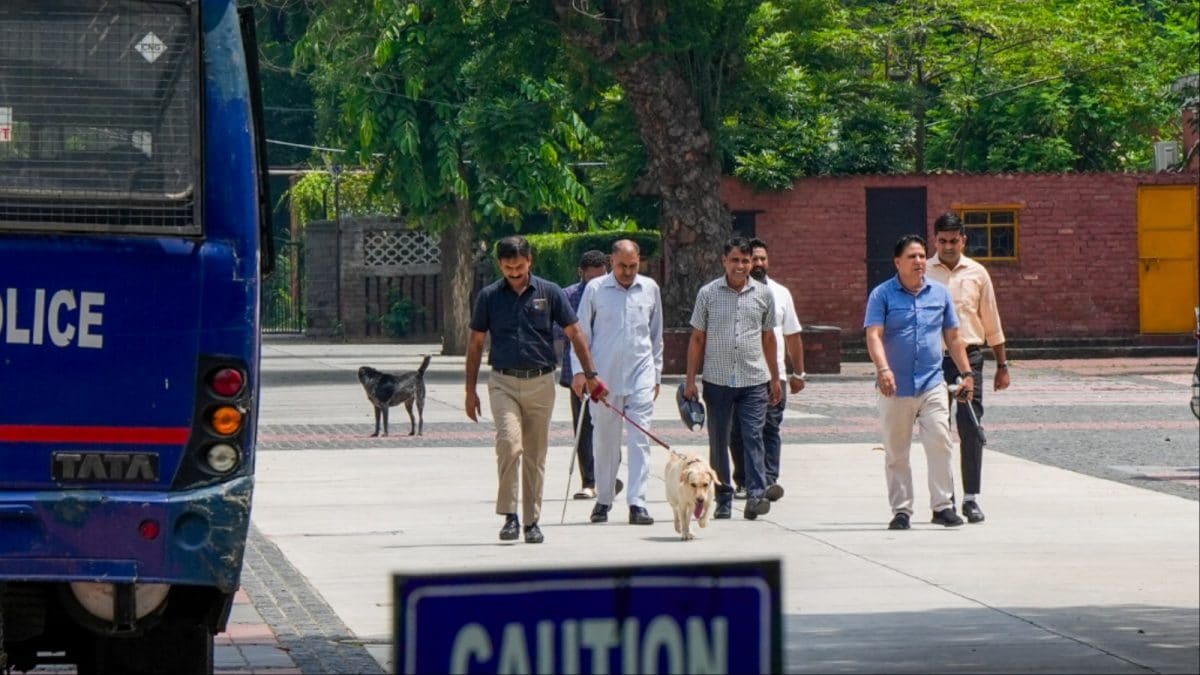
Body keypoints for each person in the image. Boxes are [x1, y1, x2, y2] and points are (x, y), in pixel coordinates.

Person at [465, 236, 607, 544]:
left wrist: (590, 373)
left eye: (519, 266)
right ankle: (510, 516)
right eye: (507, 267)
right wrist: (469, 390)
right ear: (499, 265)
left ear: (530, 261)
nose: (514, 273)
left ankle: (531, 522)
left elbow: (576, 333)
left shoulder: (550, 292)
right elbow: (476, 343)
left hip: (541, 382)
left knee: (534, 454)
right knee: (508, 445)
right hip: (502, 381)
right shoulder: (489, 296)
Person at [864, 234, 975, 530]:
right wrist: (883, 369)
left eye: (922, 256)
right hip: (894, 386)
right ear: (897, 262)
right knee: (896, 451)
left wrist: (967, 374)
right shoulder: (882, 295)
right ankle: (901, 510)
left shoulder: (939, 294)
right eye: (912, 257)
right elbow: (873, 334)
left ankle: (943, 506)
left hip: (932, 382)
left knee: (940, 442)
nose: (919, 262)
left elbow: (953, 337)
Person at [684, 236, 782, 521]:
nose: (741, 266)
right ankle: (723, 496)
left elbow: (768, 338)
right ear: (724, 261)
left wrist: (775, 378)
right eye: (735, 260)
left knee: (753, 436)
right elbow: (698, 338)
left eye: (746, 260)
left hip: (754, 378)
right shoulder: (709, 293)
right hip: (718, 380)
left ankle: (755, 495)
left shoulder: (763, 294)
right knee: (719, 438)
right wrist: (691, 380)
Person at [571, 239, 664, 525]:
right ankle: (604, 499)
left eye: (633, 266)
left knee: (640, 440)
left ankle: (637, 502)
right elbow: (581, 334)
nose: (627, 272)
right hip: (603, 379)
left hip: (641, 375)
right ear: (612, 261)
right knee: (605, 441)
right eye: (622, 266)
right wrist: (580, 373)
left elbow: (656, 335)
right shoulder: (595, 290)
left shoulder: (650, 289)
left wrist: (656, 374)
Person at [927, 212, 1010, 523]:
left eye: (954, 240)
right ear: (935, 240)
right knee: (937, 430)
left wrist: (1002, 364)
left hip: (971, 358)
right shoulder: (924, 272)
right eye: (943, 241)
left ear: (963, 240)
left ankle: (971, 498)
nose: (948, 246)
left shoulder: (978, 273)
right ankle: (943, 499)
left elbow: (992, 320)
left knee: (970, 426)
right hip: (933, 360)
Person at [730, 237, 806, 502]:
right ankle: (743, 480)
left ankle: (769, 480)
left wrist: (798, 373)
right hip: (742, 374)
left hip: (776, 376)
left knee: (770, 428)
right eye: (754, 259)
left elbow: (792, 335)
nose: (759, 263)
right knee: (739, 430)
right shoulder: (730, 292)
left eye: (763, 258)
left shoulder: (780, 293)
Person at [557, 249, 610, 500]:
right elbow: (561, 334)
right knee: (584, 428)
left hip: (610, 370)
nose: (598, 284)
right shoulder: (568, 296)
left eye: (603, 277)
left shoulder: (614, 293)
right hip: (578, 373)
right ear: (582, 274)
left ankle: (609, 475)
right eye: (593, 279)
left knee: (610, 426)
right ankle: (588, 481)